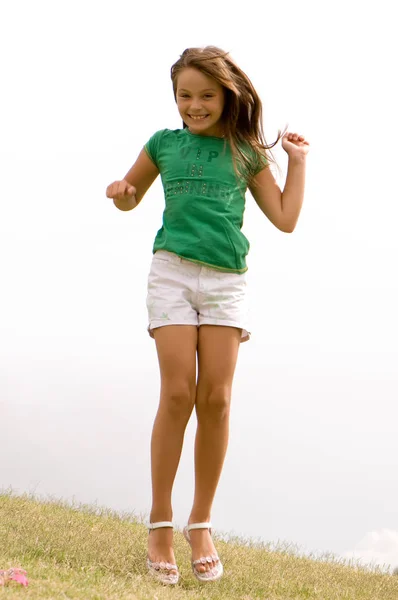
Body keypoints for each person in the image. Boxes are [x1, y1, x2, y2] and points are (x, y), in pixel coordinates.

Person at [106, 46, 309, 585]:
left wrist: (299, 163)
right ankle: (159, 524)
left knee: (215, 398)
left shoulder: (246, 152)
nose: (194, 105)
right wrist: (121, 194)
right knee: (177, 393)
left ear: (228, 96)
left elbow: (285, 219)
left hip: (225, 283)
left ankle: (201, 523)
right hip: (171, 272)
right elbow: (131, 196)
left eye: (205, 96)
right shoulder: (163, 145)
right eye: (184, 96)